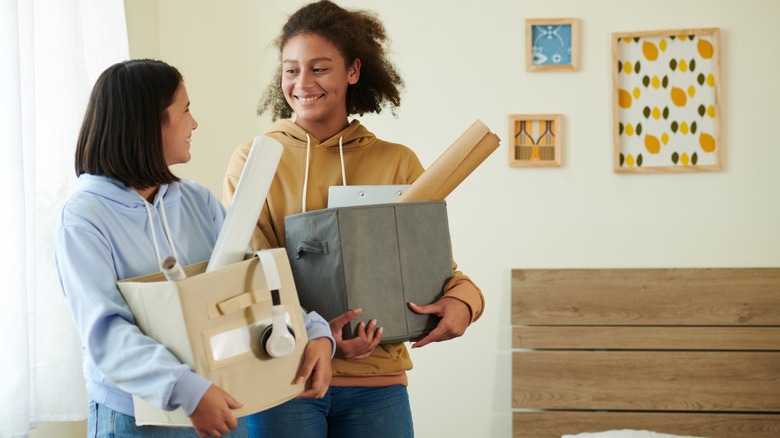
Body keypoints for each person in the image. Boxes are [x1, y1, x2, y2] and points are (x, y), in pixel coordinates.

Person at [223, 1, 484, 436]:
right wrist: (321, 336)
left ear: (353, 71)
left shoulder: (398, 164)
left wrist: (466, 302)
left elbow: (433, 270)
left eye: (319, 68)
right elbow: (250, 270)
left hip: (376, 385)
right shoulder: (254, 159)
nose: (302, 83)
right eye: (291, 70)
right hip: (286, 378)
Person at [55, 59, 334, 438]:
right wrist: (187, 390)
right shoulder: (85, 217)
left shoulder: (196, 200)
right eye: (185, 110)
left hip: (221, 402)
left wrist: (315, 331)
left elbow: (251, 282)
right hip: (138, 417)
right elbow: (106, 332)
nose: (195, 123)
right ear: (150, 122)